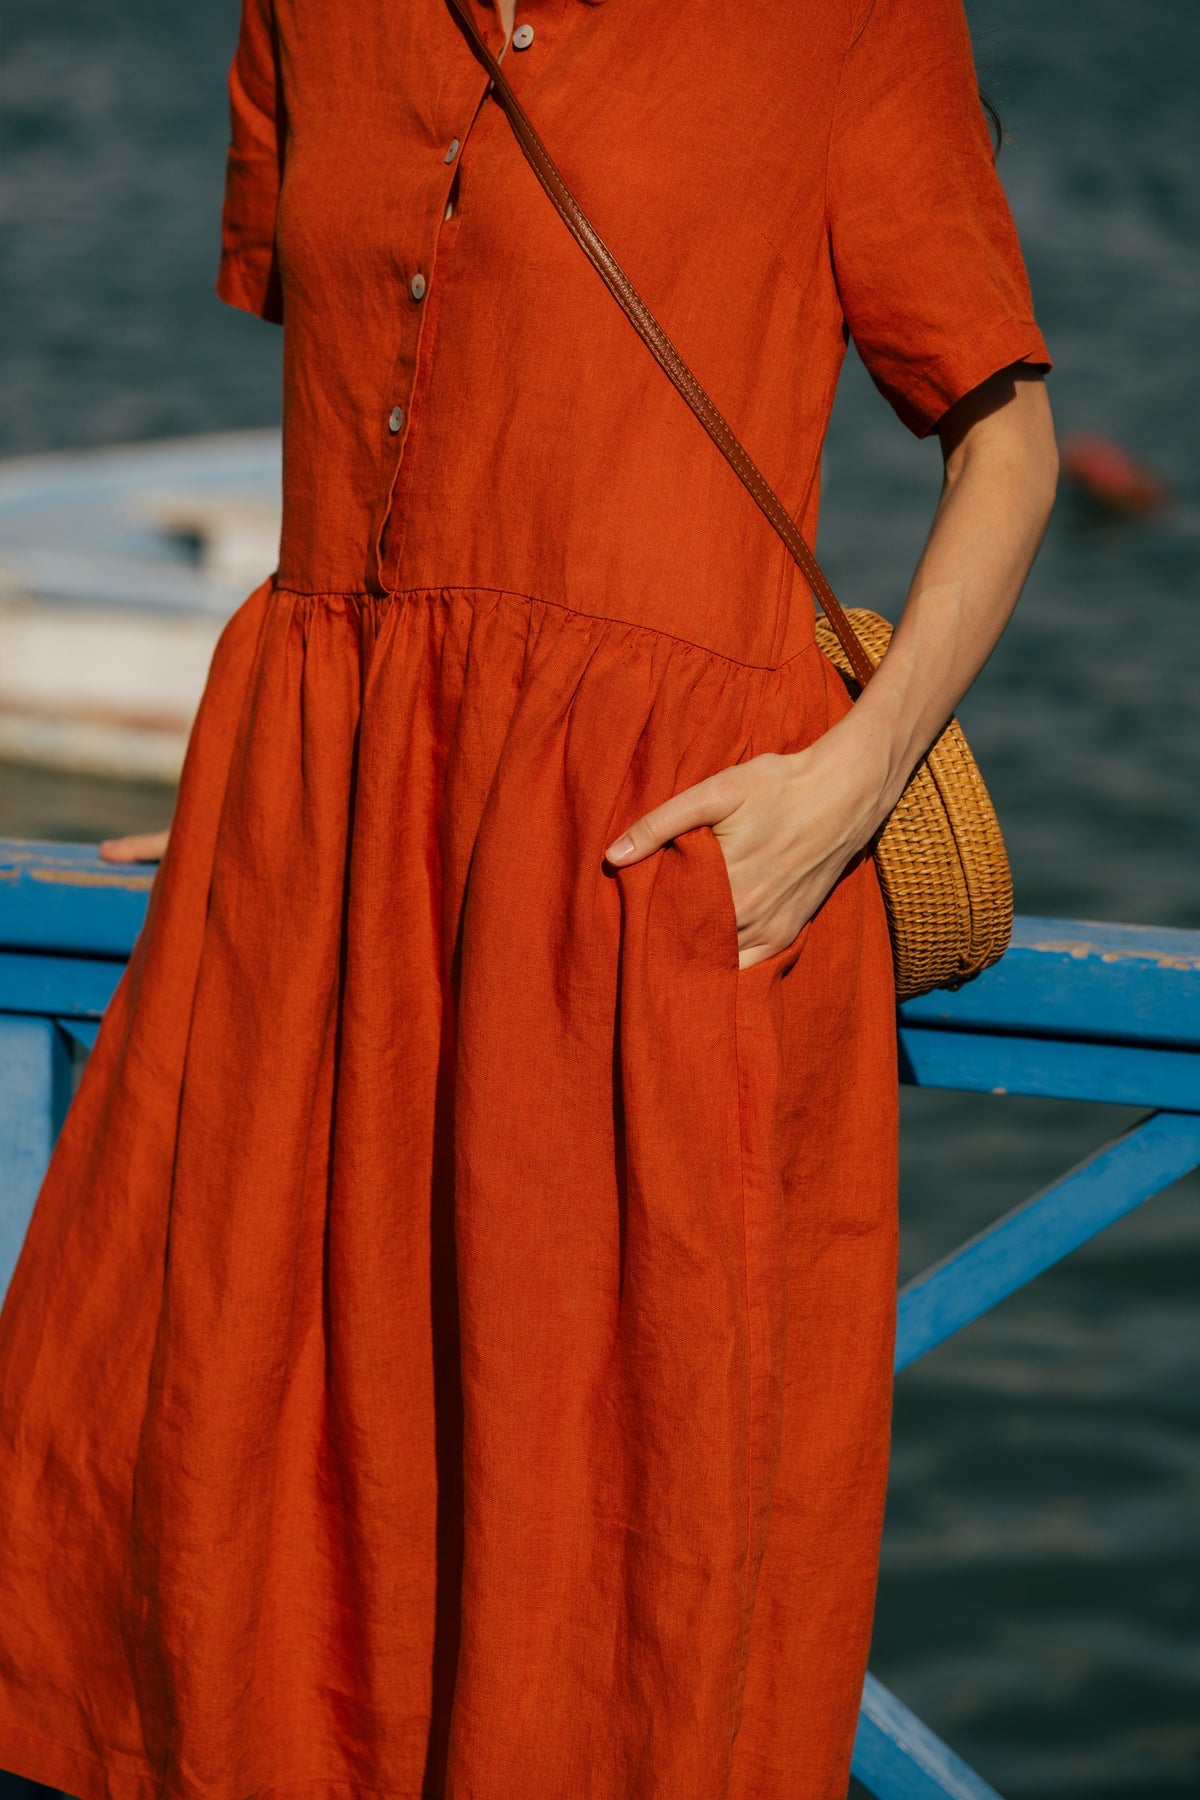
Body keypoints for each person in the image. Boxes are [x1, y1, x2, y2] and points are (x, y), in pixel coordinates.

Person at [0, 1, 1057, 1795]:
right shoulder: (313, 19)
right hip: (325, 871)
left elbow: (1011, 444)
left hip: (635, 883)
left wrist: (854, 780)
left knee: (592, 1551)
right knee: (225, 1492)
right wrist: (291, 776)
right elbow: (361, 422)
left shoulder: (844, 21)